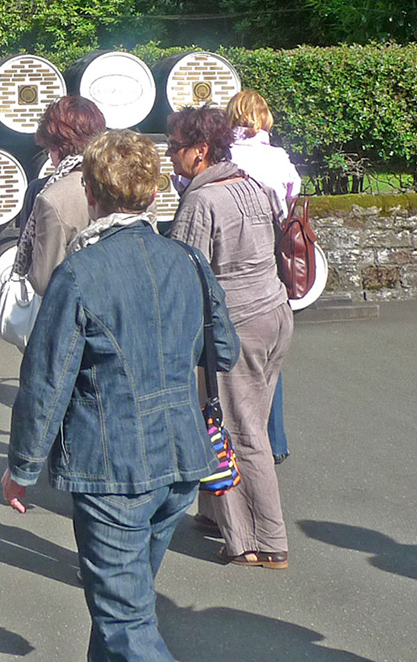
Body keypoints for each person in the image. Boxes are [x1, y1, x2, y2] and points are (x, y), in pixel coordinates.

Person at [4, 130, 240, 662]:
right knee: (124, 607)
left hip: (114, 467)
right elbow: (224, 350)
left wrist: (22, 466)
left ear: (90, 193)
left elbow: (46, 380)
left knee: (124, 620)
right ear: (153, 193)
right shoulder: (188, 261)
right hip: (181, 458)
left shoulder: (79, 274)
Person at [167, 103, 291, 568]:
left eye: (175, 147)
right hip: (274, 314)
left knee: (241, 431)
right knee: (237, 419)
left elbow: (183, 274)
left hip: (237, 325)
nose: (170, 156)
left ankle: (263, 541)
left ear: (200, 150)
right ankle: (216, 512)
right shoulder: (250, 184)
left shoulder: (202, 201)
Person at [222, 88, 303, 464]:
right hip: (270, 253)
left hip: (234, 253)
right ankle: (276, 439)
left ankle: (236, 441)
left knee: (238, 354)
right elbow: (292, 193)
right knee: (269, 355)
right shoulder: (278, 157)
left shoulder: (226, 157)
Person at [15, 95, 107, 296]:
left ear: (56, 146)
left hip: (66, 303)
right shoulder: (122, 184)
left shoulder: (43, 192)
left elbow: (41, 278)